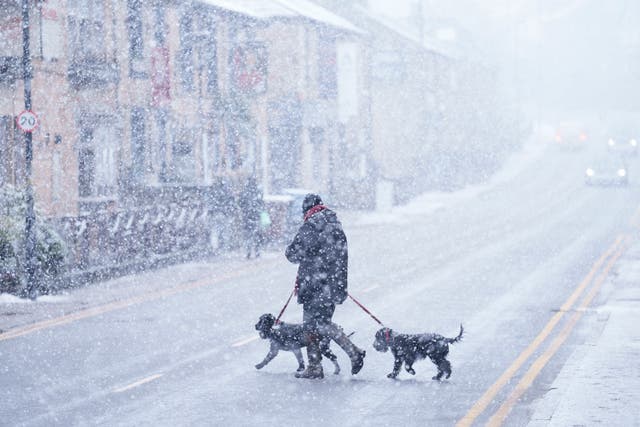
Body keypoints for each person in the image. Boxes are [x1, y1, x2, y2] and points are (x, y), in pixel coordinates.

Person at [285, 193, 366, 379]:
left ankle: (350, 353)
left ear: (306, 210)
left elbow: (293, 254)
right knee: (318, 325)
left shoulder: (312, 225)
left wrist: (295, 251)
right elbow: (340, 257)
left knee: (314, 325)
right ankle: (316, 366)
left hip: (315, 285)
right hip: (333, 285)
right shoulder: (335, 224)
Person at [238, 177, 263, 259]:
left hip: (247, 216)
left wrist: (245, 209)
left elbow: (240, 202)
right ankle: (257, 252)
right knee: (257, 235)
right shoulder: (257, 191)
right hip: (256, 216)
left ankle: (248, 252)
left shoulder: (245, 191)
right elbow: (261, 203)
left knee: (248, 235)